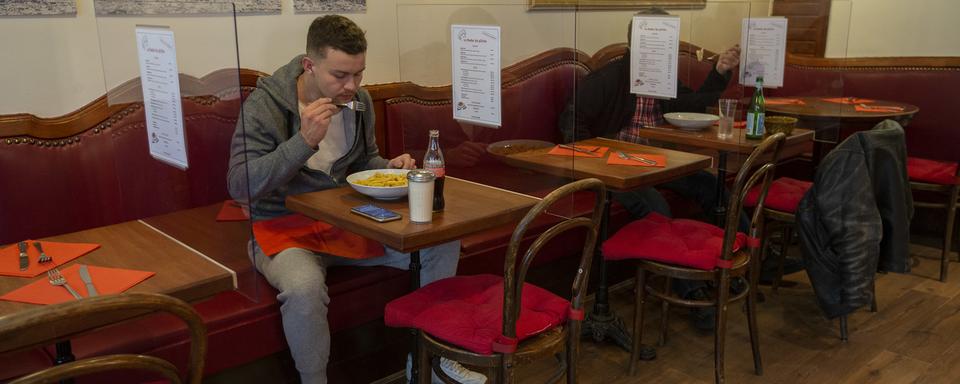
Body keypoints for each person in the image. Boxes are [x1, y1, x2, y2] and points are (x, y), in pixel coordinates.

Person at [227, 15, 484, 384]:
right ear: (309, 66)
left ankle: (429, 364)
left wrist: (390, 166)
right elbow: (240, 185)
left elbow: (365, 161)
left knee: (441, 241)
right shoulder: (264, 106)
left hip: (350, 219)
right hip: (283, 228)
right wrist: (304, 142)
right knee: (303, 288)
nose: (352, 86)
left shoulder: (359, 102)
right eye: (340, 75)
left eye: (359, 74)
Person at [560, 9, 786, 330]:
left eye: (667, 41)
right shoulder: (608, 78)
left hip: (660, 161)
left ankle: (746, 266)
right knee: (657, 207)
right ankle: (691, 291)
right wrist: (600, 158)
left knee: (713, 188)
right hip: (619, 169)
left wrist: (719, 71)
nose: (664, 48)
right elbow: (571, 124)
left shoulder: (661, 75)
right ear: (635, 42)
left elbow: (691, 105)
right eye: (656, 40)